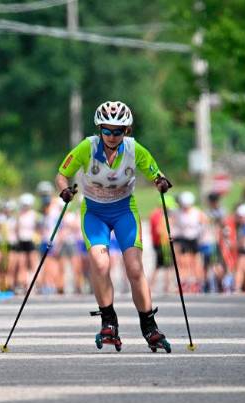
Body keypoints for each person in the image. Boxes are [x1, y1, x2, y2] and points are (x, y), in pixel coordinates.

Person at [54, 100, 173, 352]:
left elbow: (156, 174)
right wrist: (64, 190)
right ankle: (108, 322)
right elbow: (61, 174)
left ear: (126, 131)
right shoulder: (87, 147)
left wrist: (161, 182)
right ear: (100, 129)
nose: (111, 136)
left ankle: (150, 327)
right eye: (106, 130)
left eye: (117, 131)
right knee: (100, 264)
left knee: (134, 268)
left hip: (123, 211)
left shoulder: (134, 149)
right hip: (94, 212)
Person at [175, 191, 207, 293]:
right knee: (184, 262)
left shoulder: (197, 212)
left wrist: (202, 236)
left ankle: (198, 283)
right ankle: (184, 283)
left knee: (195, 261)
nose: (185, 208)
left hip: (195, 238)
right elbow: (175, 225)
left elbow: (204, 224)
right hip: (183, 238)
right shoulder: (178, 212)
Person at [15, 193, 39, 293]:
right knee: (22, 263)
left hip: (31, 240)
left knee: (32, 263)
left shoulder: (33, 214)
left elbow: (38, 228)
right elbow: (16, 228)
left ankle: (33, 284)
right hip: (22, 240)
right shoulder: (19, 214)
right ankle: (23, 284)